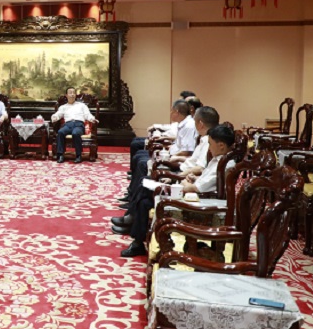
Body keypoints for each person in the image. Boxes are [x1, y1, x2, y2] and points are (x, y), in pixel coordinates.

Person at [117, 124, 235, 257]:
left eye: (210, 144)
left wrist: (185, 182)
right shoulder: (219, 159)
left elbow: (196, 188)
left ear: (221, 146)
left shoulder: (225, 165)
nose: (209, 147)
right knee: (145, 195)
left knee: (146, 194)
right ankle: (136, 237)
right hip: (195, 194)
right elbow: (206, 181)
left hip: (199, 202)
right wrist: (194, 178)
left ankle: (135, 232)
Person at [111, 106, 219, 232]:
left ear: (200, 123)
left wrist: (179, 176)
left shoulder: (209, 142)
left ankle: (132, 220)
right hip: (183, 172)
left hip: (183, 177)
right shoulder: (206, 139)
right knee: (144, 182)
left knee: (145, 184)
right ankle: (131, 217)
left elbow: (200, 168)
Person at [51, 87, 98, 164]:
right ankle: (60, 155)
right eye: (70, 93)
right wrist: (54, 117)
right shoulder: (63, 107)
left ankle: (78, 155)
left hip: (79, 125)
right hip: (68, 125)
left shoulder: (82, 105)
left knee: (75, 133)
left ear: (75, 95)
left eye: (74, 93)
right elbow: (58, 114)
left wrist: (92, 119)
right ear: (66, 95)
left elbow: (87, 115)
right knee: (60, 132)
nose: (72, 94)